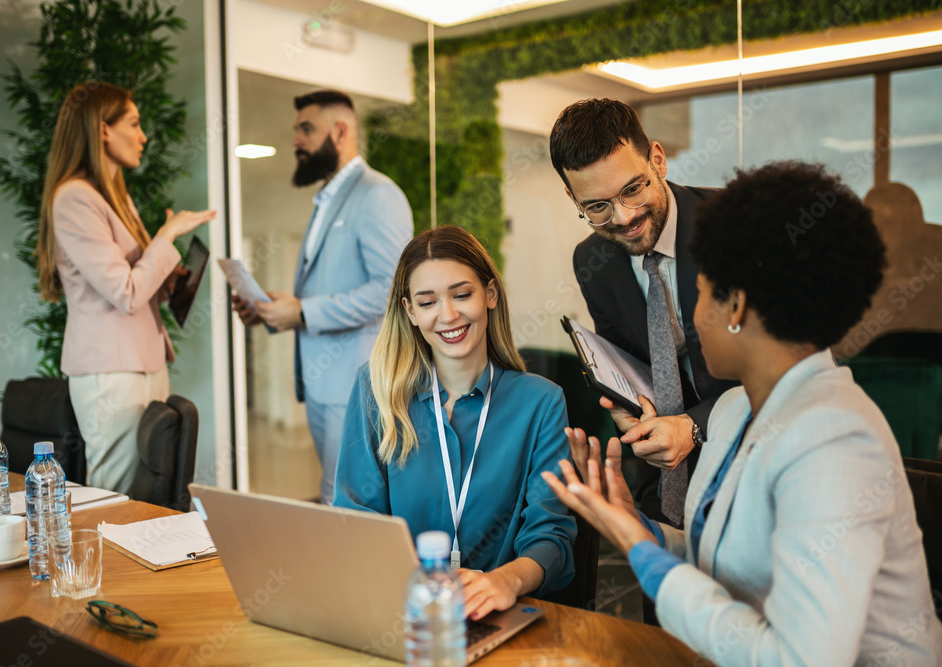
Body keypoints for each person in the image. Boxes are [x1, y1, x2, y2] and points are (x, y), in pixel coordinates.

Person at [544, 161, 942, 665]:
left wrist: (643, 557)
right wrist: (634, 526)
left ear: (736, 309)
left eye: (703, 291)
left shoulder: (836, 439)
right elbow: (727, 563)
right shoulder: (733, 411)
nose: (689, 315)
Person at [334, 226, 576, 621]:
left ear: (490, 295)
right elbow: (356, 518)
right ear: (410, 311)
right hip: (398, 612)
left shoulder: (541, 402)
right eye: (427, 302)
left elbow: (552, 536)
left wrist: (506, 581)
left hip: (494, 612)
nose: (448, 315)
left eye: (462, 295)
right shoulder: (375, 388)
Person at [549, 98, 736, 527]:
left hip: (753, 464)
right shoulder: (593, 260)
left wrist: (692, 427)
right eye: (596, 206)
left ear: (657, 159)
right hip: (664, 486)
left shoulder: (735, 227)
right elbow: (630, 364)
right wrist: (630, 411)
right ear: (571, 196)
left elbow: (793, 371)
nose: (625, 217)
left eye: (633, 188)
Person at [233, 89, 412, 504]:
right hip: (323, 386)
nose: (296, 140)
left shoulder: (377, 194)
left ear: (342, 131)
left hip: (355, 385)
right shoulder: (329, 199)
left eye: (306, 129)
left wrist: (303, 311)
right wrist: (275, 309)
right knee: (334, 495)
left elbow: (391, 290)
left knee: (345, 502)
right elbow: (329, 287)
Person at [36, 81, 216, 493]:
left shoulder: (114, 196)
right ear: (103, 129)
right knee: (113, 495)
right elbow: (126, 292)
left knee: (148, 492)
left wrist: (172, 277)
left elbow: (140, 283)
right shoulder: (74, 199)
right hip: (111, 372)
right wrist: (166, 236)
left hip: (143, 363)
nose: (143, 136)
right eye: (133, 124)